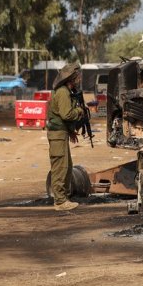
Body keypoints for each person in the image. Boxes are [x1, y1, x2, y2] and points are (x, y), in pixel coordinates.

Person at [47, 63, 85, 212]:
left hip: (61, 134)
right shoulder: (63, 92)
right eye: (78, 76)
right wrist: (79, 111)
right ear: (72, 78)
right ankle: (60, 201)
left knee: (67, 166)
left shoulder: (67, 91)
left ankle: (64, 198)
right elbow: (66, 114)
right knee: (60, 168)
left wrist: (71, 131)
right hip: (57, 135)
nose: (80, 79)